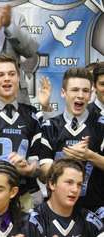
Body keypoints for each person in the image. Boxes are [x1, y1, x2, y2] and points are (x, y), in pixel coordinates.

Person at [0, 54, 50, 210]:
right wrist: (4, 170)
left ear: (19, 78)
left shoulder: (33, 115)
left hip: (25, 198)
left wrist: (30, 168)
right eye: (0, 74)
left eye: (12, 74)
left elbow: (39, 162)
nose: (7, 79)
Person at [40, 67, 104, 211]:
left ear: (91, 94)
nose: (80, 95)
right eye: (75, 90)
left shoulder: (101, 125)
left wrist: (90, 156)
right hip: (56, 211)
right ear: (63, 92)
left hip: (94, 210)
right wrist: (65, 160)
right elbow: (43, 172)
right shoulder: (50, 125)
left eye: (85, 91)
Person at [28, 158, 104, 236]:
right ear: (52, 184)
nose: (75, 189)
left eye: (79, 184)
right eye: (69, 182)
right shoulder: (32, 221)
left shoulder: (91, 222)